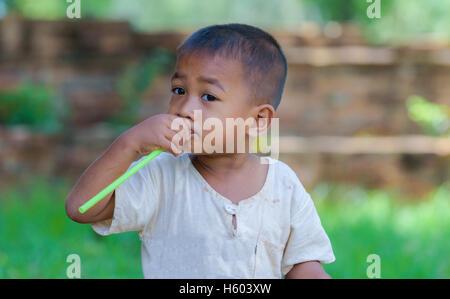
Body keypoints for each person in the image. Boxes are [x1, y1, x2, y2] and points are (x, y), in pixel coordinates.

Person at [65, 23, 335, 278]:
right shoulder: (161, 177)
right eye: (179, 90)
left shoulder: (283, 185)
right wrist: (129, 143)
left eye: (208, 96)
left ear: (258, 121)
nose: (184, 109)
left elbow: (305, 268)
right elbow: (81, 209)